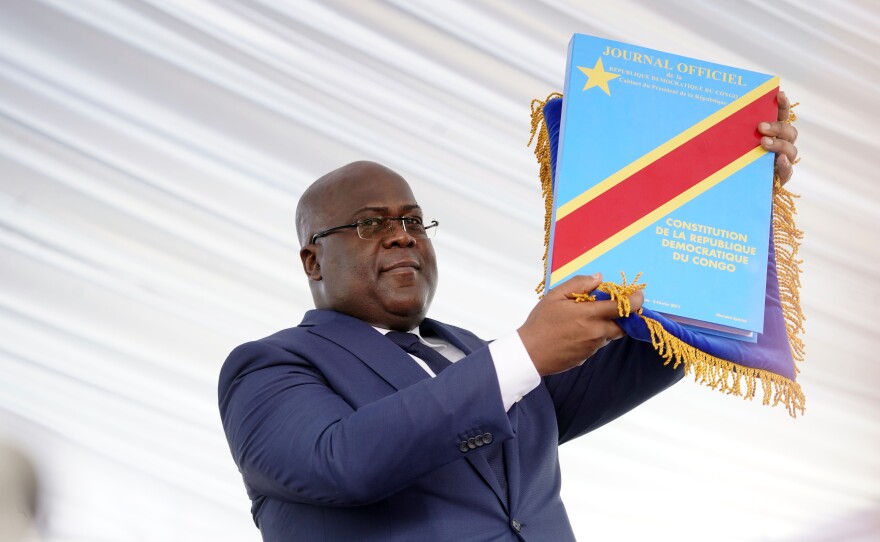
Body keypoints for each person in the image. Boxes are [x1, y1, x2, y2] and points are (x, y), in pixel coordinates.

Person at [219, 95, 798, 541]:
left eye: (415, 221)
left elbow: (662, 342)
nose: (402, 236)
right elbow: (343, 461)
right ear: (312, 259)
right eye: (372, 224)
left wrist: (735, 198)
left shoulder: (474, 356)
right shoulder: (268, 368)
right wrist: (522, 352)